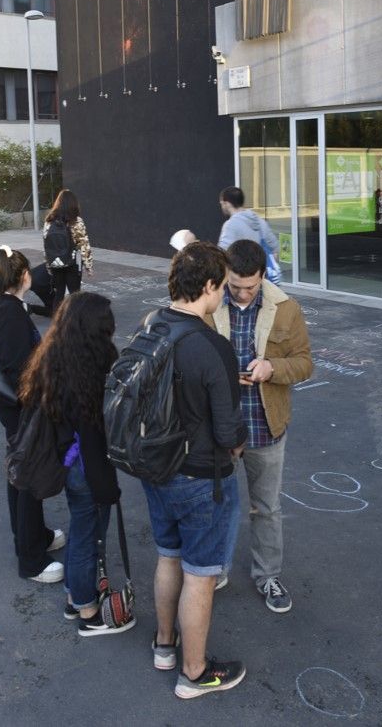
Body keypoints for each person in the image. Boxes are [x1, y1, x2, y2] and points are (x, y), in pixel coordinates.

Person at [144, 241, 247, 698]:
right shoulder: (212, 346)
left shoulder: (150, 327)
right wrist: (239, 444)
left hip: (157, 466)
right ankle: (194, 671)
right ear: (207, 285)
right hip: (202, 476)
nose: (224, 294)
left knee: (168, 556)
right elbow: (228, 432)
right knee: (200, 574)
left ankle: (164, 645)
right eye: (222, 286)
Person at [207, 239, 313, 612]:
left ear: (262, 277)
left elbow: (304, 363)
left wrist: (272, 369)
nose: (240, 293)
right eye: (233, 285)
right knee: (216, 503)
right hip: (218, 428)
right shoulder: (208, 302)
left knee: (266, 508)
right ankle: (215, 568)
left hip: (265, 426)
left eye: (249, 287)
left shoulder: (286, 309)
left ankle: (268, 576)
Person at [18, 292, 131, 636]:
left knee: (82, 531)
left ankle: (74, 596)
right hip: (86, 468)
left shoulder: (52, 357)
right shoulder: (92, 370)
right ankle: (87, 612)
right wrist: (108, 488)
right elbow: (95, 438)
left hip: (65, 462)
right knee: (87, 535)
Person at [0, 246, 65, 583]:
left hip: (13, 407)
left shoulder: (3, 306)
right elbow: (18, 369)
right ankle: (31, 559)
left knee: (20, 470)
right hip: (23, 408)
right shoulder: (11, 313)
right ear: (22, 277)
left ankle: (32, 536)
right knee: (28, 475)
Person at [42, 189, 93, 301]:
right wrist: (88, 266)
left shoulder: (49, 221)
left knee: (58, 294)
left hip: (55, 262)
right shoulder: (76, 221)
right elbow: (84, 245)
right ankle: (75, 317)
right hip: (72, 262)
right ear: (73, 203)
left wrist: (48, 264)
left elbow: (46, 244)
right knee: (75, 295)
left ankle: (57, 317)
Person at [218, 186, 278, 254]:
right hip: (260, 264)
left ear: (227, 204)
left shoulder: (230, 225)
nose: (222, 207)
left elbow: (222, 254)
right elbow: (275, 248)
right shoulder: (259, 221)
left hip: (240, 264)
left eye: (222, 203)